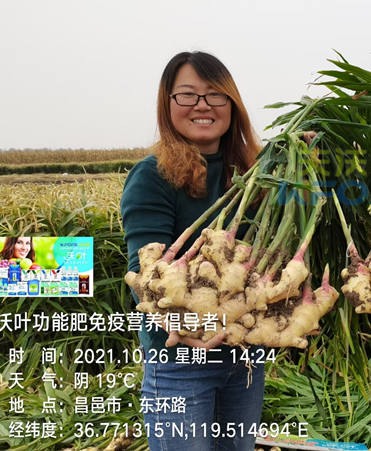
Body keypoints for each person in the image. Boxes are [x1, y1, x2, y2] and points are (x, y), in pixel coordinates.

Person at [121, 51, 264, 451]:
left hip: (244, 356)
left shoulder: (254, 174)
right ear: (168, 106)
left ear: (232, 106)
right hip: (179, 359)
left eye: (215, 95)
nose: (202, 105)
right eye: (187, 95)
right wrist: (186, 325)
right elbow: (144, 272)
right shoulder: (153, 175)